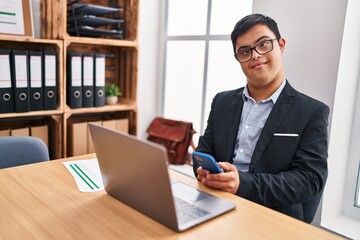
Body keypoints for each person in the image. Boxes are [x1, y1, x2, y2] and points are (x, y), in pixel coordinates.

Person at [193, 13, 329, 223]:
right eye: (245, 51)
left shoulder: (312, 112)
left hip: (272, 218)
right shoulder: (222, 101)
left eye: (263, 44)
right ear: (238, 59)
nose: (255, 55)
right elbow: (203, 151)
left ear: (281, 45)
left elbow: (309, 180)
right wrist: (201, 169)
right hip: (216, 205)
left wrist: (242, 184)